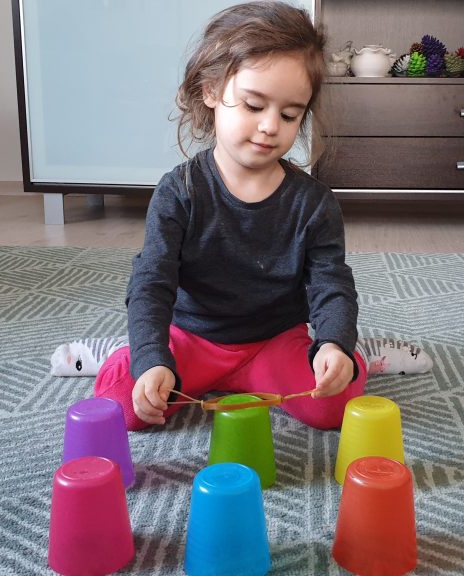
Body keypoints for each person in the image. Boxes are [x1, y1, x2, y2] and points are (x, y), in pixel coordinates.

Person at [50, 1, 431, 431]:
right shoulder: (179, 191)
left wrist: (333, 345)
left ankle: (357, 353)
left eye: (289, 114)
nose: (270, 126)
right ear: (211, 91)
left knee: (336, 405)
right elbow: (151, 283)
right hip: (192, 339)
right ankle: (127, 349)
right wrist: (152, 359)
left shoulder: (314, 202)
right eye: (253, 106)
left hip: (275, 341)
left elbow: (331, 284)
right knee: (124, 406)